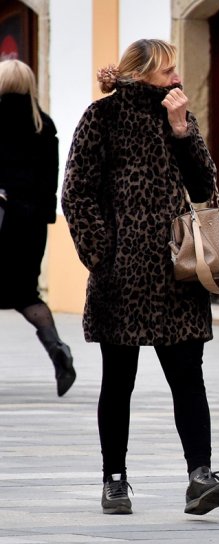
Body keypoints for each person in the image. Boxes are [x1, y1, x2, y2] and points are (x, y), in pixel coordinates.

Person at [62, 39, 219, 516]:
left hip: (179, 271)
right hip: (122, 279)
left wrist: (182, 131)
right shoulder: (102, 118)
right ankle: (114, 480)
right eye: (167, 71)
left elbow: (206, 188)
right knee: (119, 381)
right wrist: (102, 255)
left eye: (177, 69)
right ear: (141, 74)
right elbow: (76, 193)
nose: (176, 79)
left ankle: (200, 475)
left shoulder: (176, 119)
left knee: (187, 378)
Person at [0, 59, 76, 397]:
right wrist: (42, 218)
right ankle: (57, 349)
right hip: (28, 225)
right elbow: (50, 182)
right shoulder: (43, 125)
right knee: (27, 293)